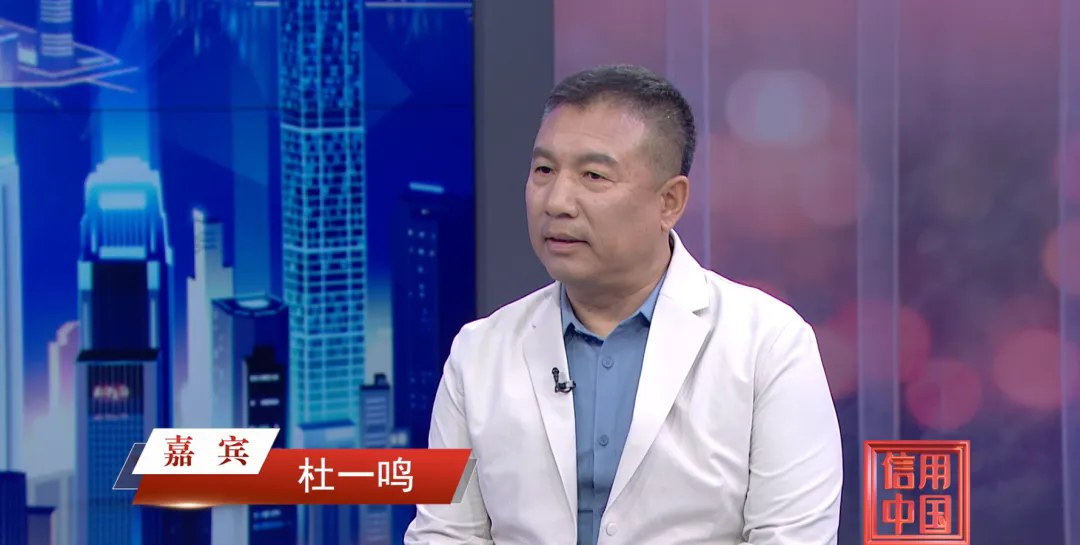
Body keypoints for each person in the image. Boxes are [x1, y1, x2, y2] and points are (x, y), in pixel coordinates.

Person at [404, 64, 842, 545]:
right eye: (544, 170)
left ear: (669, 202)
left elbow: (792, 536)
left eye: (593, 175)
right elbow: (444, 534)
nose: (557, 201)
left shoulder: (768, 345)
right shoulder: (478, 352)